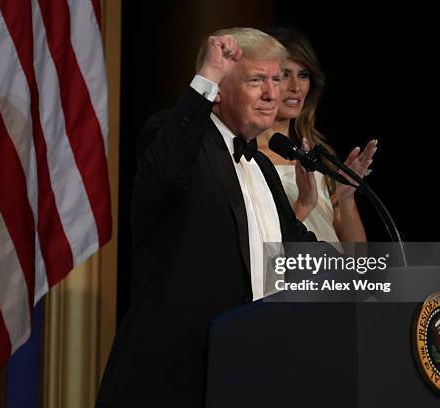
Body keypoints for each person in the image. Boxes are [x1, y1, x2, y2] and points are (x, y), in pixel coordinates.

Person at [95, 28, 320, 407]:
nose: (272, 94)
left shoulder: (262, 167)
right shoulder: (175, 139)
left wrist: (376, 277)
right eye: (255, 81)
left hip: (250, 372)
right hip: (174, 377)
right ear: (217, 94)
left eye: (276, 80)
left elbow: (297, 248)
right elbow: (164, 172)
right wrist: (207, 77)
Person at [257, 27, 377, 243]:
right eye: (285, 75)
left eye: (303, 75)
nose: (296, 87)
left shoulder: (319, 156)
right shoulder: (248, 157)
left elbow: (358, 258)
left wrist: (346, 197)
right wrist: (302, 204)